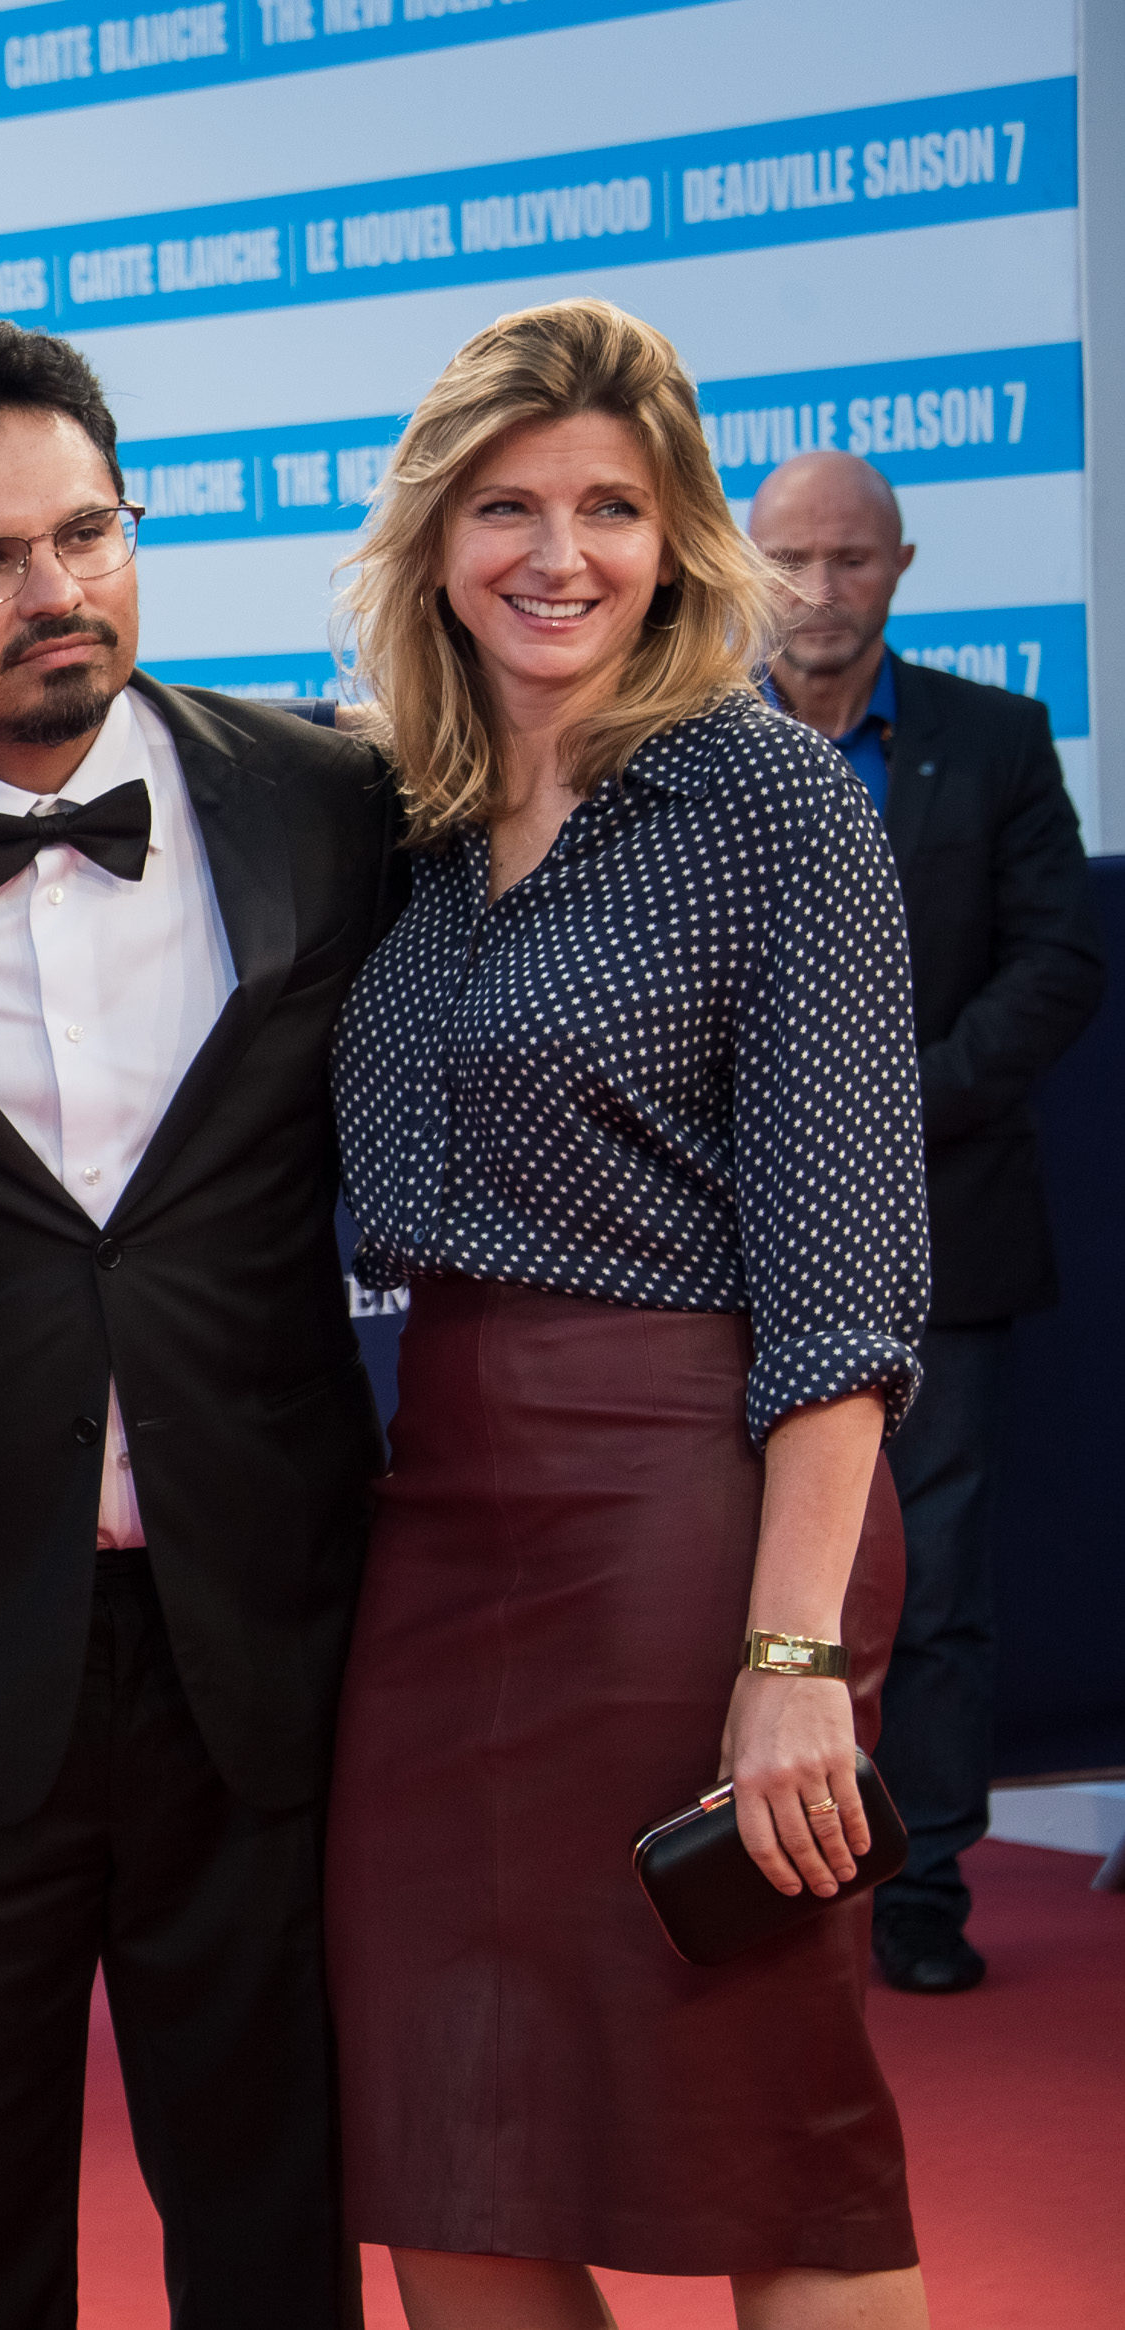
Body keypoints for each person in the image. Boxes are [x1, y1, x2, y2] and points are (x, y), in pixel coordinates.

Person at [0, 322, 402, 2328]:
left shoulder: (331, 806)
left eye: (87, 530)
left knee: (277, 2226)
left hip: (267, 1654)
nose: (58, 591)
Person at [327, 298, 931, 2326]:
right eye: (506, 503)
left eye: (608, 503)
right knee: (441, 2141)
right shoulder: (398, 829)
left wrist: (789, 1663)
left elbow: (843, 1288)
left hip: (695, 1523)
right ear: (433, 537)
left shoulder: (770, 804)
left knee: (769, 2142)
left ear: (677, 536)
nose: (555, 552)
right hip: (436, 1539)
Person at [747, 449, 1105, 1997]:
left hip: (944, 1228)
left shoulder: (996, 737)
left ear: (902, 564)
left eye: (852, 560)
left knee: (934, 1582)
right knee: (743, 1582)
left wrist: (895, 1106)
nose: (821, 593)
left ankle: (920, 1886)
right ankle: (752, 1883)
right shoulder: (677, 743)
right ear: (745, 563)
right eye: (794, 560)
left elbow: (1057, 966)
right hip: (728, 1248)